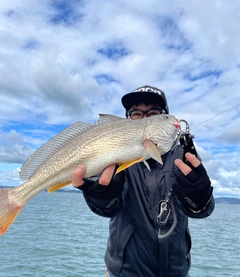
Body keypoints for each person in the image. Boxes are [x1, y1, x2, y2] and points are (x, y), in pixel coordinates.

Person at [72, 85, 215, 277]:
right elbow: (108, 209)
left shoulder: (183, 156)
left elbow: (201, 210)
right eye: (137, 113)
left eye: (155, 113)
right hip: (124, 272)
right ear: (127, 119)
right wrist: (100, 197)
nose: (146, 118)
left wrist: (200, 198)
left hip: (177, 271)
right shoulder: (113, 158)